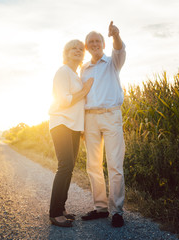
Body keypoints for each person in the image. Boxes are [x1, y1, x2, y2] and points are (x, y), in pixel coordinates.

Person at [80, 21, 126, 227]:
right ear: (86, 46)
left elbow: (119, 48)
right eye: (91, 41)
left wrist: (115, 35)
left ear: (103, 44)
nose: (95, 43)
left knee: (115, 164)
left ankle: (117, 210)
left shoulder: (113, 62)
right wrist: (81, 124)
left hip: (111, 116)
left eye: (98, 40)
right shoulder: (84, 69)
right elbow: (81, 97)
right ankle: (100, 208)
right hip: (90, 118)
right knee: (93, 165)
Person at [48, 39, 94, 227]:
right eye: (73, 48)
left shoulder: (76, 75)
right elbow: (64, 101)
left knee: (70, 167)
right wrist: (84, 91)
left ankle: (61, 208)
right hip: (61, 124)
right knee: (64, 166)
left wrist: (81, 128)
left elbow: (79, 107)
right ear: (66, 53)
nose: (77, 50)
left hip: (74, 127)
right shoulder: (63, 71)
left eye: (80, 49)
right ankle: (54, 212)